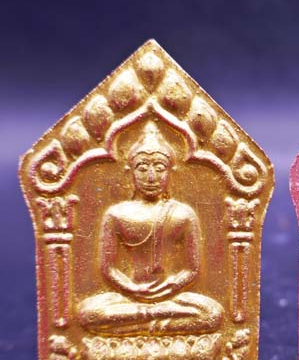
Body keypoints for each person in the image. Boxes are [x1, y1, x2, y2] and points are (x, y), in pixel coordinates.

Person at [78, 121, 223, 335]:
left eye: (159, 168)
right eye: (143, 168)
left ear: (170, 172)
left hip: (172, 297)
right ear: (130, 172)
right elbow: (108, 268)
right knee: (89, 313)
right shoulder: (116, 213)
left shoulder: (183, 213)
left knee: (212, 314)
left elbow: (192, 269)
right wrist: (132, 288)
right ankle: (158, 326)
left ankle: (137, 328)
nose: (151, 177)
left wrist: (170, 287)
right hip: (128, 297)